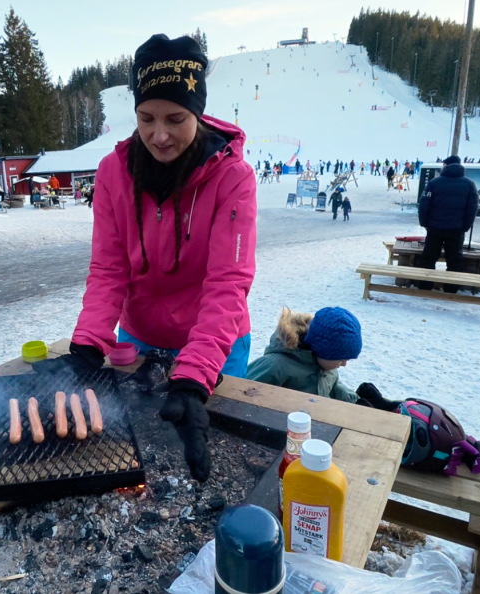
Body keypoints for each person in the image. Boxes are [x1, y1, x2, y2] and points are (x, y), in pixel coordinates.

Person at [31, 34, 257, 482]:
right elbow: (108, 269)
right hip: (138, 339)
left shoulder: (233, 177)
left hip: (215, 343)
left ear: (197, 112)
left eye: (176, 118)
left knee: (220, 462)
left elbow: (228, 283)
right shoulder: (113, 172)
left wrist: (194, 376)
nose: (159, 135)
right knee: (138, 455)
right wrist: (87, 346)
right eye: (146, 118)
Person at [246, 307, 362, 404]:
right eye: (341, 359)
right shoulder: (276, 366)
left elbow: (334, 385)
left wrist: (358, 401)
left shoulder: (326, 365)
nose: (344, 364)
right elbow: (243, 390)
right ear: (323, 351)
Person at [417, 155, 479, 293]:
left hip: (434, 228)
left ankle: (425, 287)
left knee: (429, 258)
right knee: (454, 259)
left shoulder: (434, 183)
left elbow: (424, 204)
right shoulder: (469, 184)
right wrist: (465, 226)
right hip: (456, 229)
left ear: (446, 167)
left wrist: (424, 223)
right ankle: (451, 289)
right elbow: (472, 208)